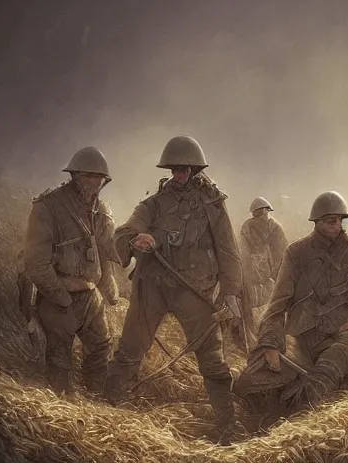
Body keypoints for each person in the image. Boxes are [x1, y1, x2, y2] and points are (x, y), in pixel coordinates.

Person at [103, 135, 242, 443]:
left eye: (185, 168)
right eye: (174, 168)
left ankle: (226, 424)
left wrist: (231, 293)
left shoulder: (213, 205)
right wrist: (136, 240)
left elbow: (227, 249)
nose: (179, 174)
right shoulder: (154, 203)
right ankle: (107, 415)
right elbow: (127, 228)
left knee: (212, 358)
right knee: (128, 352)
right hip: (152, 286)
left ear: (195, 169)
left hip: (194, 290)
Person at [233, 191, 348, 423]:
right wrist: (270, 343)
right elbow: (277, 304)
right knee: (250, 382)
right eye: (330, 221)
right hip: (306, 340)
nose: (336, 226)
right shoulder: (296, 253)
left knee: (327, 370)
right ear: (317, 222)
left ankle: (299, 417)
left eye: (340, 221)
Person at [22, 146, 120, 394]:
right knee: (59, 356)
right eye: (88, 176)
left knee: (100, 349)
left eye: (98, 178)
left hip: (91, 297)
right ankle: (61, 409)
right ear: (74, 176)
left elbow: (104, 253)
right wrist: (61, 296)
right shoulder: (48, 208)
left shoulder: (101, 211)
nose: (94, 183)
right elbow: (36, 263)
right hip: (58, 297)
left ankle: (96, 401)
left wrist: (108, 290)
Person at [240, 196, 289, 308]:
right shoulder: (247, 227)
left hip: (272, 275)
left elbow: (283, 251)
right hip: (253, 277)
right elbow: (243, 252)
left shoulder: (275, 228)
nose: (261, 215)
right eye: (258, 213)